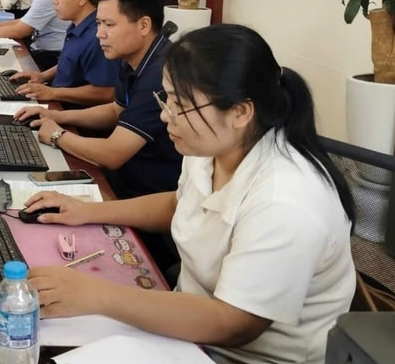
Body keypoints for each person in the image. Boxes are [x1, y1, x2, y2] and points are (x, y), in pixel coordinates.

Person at [24, 24, 356, 364]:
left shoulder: (286, 201)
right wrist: (86, 210)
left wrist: (97, 295)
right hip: (185, 328)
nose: (165, 115)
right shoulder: (212, 147)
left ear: (240, 112)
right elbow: (179, 204)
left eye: (180, 104)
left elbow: (234, 323)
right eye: (166, 97)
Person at [16, 0, 181, 201]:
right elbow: (115, 110)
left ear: (144, 25)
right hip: (125, 178)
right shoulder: (132, 58)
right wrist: (55, 115)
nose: (99, 34)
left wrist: (57, 135)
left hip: (142, 194)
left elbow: (113, 154)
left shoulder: (160, 75)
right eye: (99, 23)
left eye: (109, 25)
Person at [11, 0, 118, 108]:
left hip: (71, 114)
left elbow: (105, 92)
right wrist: (43, 76)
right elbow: (69, 63)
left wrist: (53, 93)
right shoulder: (76, 26)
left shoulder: (98, 37)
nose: (54, 0)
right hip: (58, 100)